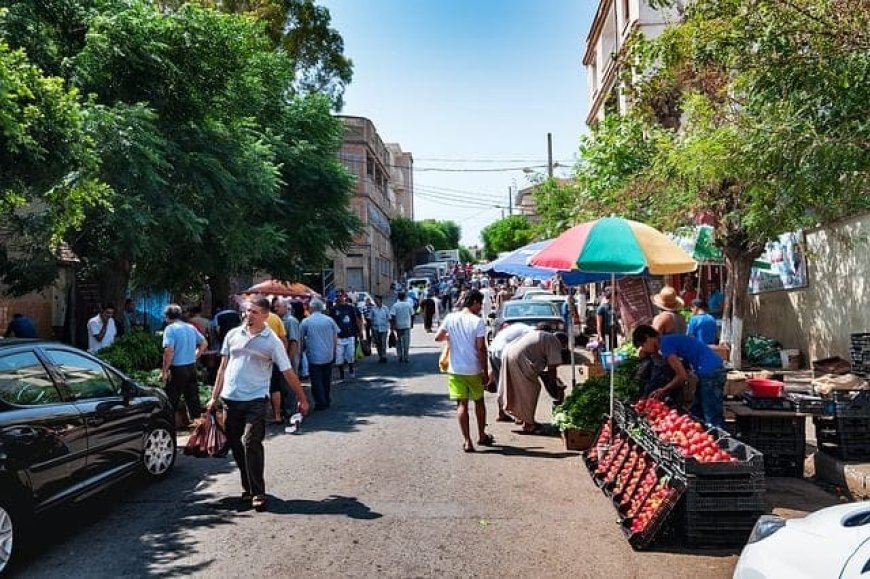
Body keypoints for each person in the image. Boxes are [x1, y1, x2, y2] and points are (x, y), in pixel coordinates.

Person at [206, 297, 309, 511]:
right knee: (235, 444)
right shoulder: (233, 335)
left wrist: (302, 398)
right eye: (246, 311)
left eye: (253, 312)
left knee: (251, 442)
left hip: (255, 399)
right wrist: (214, 397)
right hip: (230, 399)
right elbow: (223, 368)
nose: (247, 315)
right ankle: (248, 487)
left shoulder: (271, 341)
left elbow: (287, 371)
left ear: (265, 315)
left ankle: (258, 492)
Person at [632, 324, 725, 428]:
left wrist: (664, 389)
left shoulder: (665, 345)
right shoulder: (666, 340)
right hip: (709, 369)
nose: (644, 349)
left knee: (710, 413)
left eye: (642, 345)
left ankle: (719, 440)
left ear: (648, 338)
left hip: (711, 371)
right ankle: (703, 436)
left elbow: (682, 376)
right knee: (697, 411)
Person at [434, 289, 492, 453]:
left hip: (455, 369)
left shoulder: (451, 318)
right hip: (473, 369)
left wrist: (450, 337)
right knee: (479, 402)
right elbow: (481, 348)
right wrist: (485, 370)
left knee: (461, 405)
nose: (480, 307)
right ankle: (481, 435)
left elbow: (438, 337)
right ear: (474, 302)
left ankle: (467, 441)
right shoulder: (477, 321)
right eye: (479, 304)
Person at [498, 329, 567, 433]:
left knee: (517, 388)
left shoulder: (544, 337)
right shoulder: (554, 341)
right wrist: (554, 386)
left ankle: (523, 418)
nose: (561, 349)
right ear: (562, 342)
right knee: (530, 390)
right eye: (563, 346)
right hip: (518, 358)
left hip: (508, 353)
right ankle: (529, 424)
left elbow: (538, 362)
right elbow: (552, 368)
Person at [160, 304, 208, 424]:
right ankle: (198, 430)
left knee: (172, 400)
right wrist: (195, 356)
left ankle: (168, 426)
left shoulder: (170, 329)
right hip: (191, 367)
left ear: (167, 317)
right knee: (193, 399)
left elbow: (168, 351)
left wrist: (164, 371)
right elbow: (204, 343)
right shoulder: (190, 327)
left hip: (177, 368)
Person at [487, 322, 534, 422]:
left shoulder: (522, 327)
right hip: (502, 353)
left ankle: (501, 413)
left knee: (500, 383)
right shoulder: (531, 333)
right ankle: (519, 416)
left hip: (493, 351)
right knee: (514, 384)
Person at [300, 299, 340, 410]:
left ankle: (320, 401)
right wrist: (334, 351)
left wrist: (300, 352)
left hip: (314, 355)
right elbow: (335, 337)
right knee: (326, 378)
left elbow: (301, 339)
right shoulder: (329, 320)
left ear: (311, 308)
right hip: (328, 354)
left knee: (316, 380)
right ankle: (326, 399)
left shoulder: (306, 322)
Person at [330, 290, 363, 379]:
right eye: (337, 296)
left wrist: (360, 331)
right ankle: (341, 374)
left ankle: (351, 369)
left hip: (350, 334)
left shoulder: (350, 308)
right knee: (339, 356)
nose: (339, 297)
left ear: (344, 296)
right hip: (339, 337)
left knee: (350, 354)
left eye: (340, 295)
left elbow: (357, 319)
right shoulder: (334, 309)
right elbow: (331, 322)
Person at [389, 291, 414, 363]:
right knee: (406, 342)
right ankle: (406, 357)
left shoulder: (395, 305)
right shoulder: (408, 305)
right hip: (406, 325)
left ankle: (399, 356)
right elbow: (412, 315)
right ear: (405, 297)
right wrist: (411, 324)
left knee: (399, 341)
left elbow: (392, 315)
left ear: (398, 297)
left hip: (398, 326)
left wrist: (393, 325)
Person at [369, 295, 391, 363]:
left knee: (383, 342)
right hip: (375, 328)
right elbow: (370, 318)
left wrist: (389, 325)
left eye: (377, 300)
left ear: (380, 300)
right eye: (375, 300)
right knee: (378, 343)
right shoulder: (373, 309)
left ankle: (384, 356)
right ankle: (380, 356)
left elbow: (389, 317)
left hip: (384, 328)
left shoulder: (385, 308)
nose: (375, 301)